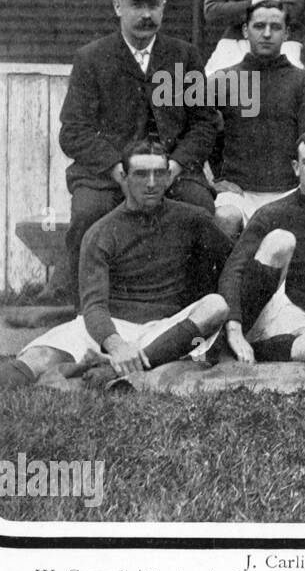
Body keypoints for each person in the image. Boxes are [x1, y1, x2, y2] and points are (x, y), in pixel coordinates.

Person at [0, 141, 229, 390]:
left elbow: (232, 264)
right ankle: (125, 364)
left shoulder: (193, 219)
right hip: (112, 325)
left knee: (215, 306)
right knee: (38, 358)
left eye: (159, 174)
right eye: (141, 174)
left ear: (169, 176)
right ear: (124, 176)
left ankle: (114, 369)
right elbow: (94, 305)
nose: (151, 183)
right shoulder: (101, 233)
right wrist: (117, 345)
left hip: (166, 326)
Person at [58, 0, 218, 300]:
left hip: (173, 170)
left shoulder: (184, 56)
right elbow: (73, 130)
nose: (147, 15)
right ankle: (84, 311)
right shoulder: (92, 58)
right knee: (89, 213)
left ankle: (197, 311)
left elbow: (204, 123)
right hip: (108, 172)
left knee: (200, 210)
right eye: (136, 5)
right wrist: (117, 169)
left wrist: (175, 166)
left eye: (154, 5)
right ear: (117, 6)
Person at [217, 132, 305, 364]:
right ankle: (232, 346)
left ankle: (262, 350)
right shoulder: (274, 213)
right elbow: (234, 271)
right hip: (276, 308)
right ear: (296, 167)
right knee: (281, 240)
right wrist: (234, 331)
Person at [209, 0, 305, 239]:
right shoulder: (223, 80)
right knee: (225, 218)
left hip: (288, 190)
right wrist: (212, 180)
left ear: (287, 33)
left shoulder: (303, 82)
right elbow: (198, 131)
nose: (267, 34)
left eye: (276, 27)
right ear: (245, 30)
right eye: (259, 26)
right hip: (239, 193)